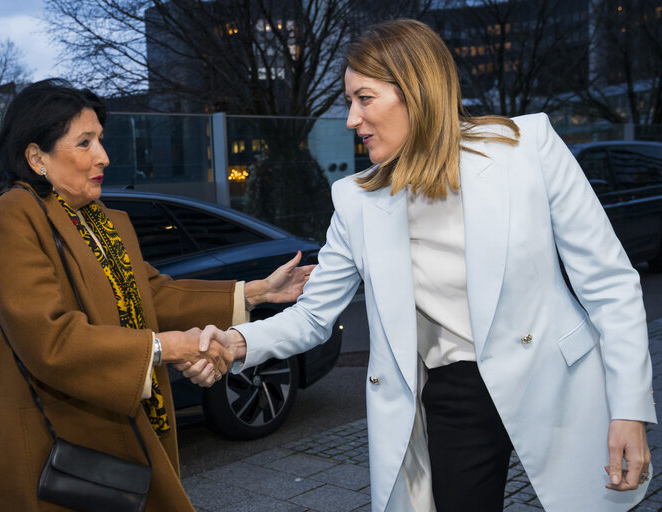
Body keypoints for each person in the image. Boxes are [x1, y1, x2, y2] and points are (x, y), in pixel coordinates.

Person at [198, 19, 657, 512]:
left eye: (364, 98)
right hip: (454, 390)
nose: (351, 119)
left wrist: (628, 409)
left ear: (416, 92)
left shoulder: (527, 148)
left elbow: (609, 283)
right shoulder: (356, 200)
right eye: (349, 101)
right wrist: (239, 342)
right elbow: (314, 316)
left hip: (558, 377)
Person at [0, 79, 313, 511]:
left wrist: (256, 291)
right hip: (44, 455)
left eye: (100, 141)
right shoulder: (12, 214)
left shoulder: (92, 218)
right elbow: (49, 340)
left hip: (97, 432)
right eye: (84, 143)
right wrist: (165, 347)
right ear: (37, 157)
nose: (103, 156)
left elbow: (151, 293)